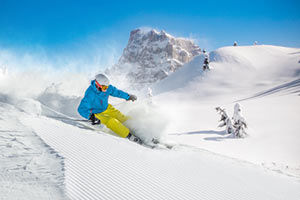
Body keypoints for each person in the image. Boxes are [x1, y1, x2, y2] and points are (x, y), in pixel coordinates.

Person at [78, 73, 141, 143]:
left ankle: (136, 129)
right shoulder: (90, 94)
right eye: (104, 88)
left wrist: (128, 96)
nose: (106, 89)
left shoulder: (107, 87)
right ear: (97, 85)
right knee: (111, 121)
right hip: (97, 113)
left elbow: (116, 92)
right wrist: (91, 117)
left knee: (121, 117)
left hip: (106, 108)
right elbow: (81, 109)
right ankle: (129, 136)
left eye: (107, 87)